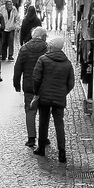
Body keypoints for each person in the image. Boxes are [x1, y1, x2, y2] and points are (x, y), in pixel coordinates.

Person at [32, 34, 76, 163]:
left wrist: (37, 92)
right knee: (59, 124)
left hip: (44, 96)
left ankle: (41, 148)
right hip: (59, 98)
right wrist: (63, 93)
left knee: (43, 122)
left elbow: (36, 78)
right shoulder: (67, 63)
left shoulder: (43, 60)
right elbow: (71, 83)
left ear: (51, 46)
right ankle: (62, 152)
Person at [14, 25, 49, 149]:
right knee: (44, 112)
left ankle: (31, 138)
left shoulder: (24, 49)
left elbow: (18, 68)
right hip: (44, 86)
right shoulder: (47, 49)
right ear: (43, 37)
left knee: (30, 111)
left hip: (29, 85)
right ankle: (44, 137)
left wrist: (16, 83)